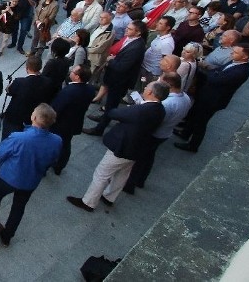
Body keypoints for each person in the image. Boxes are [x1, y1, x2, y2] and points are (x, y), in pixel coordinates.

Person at [67, 82, 169, 212]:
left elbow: (115, 113)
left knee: (102, 174)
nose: (145, 88)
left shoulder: (141, 110)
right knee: (122, 174)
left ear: (150, 93)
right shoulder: (160, 109)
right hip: (138, 147)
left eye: (147, 87)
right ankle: (109, 197)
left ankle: (88, 202)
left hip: (124, 146)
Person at [0, 104, 61, 248]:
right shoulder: (57, 140)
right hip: (31, 180)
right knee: (19, 207)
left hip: (8, 177)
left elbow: (1, 153)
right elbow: (52, 159)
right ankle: (7, 236)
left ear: (34, 117)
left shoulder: (19, 137)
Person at [175, 44, 249, 153]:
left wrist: (213, 74)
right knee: (195, 113)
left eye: (235, 52)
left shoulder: (240, 71)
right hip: (207, 94)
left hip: (213, 100)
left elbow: (216, 79)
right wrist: (214, 73)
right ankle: (185, 133)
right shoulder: (235, 61)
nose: (231, 53)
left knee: (201, 122)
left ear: (245, 57)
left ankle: (193, 145)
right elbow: (217, 71)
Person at [124, 72, 192, 193]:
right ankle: (140, 180)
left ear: (167, 85)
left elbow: (154, 120)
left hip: (154, 134)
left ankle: (130, 184)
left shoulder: (166, 104)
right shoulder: (185, 97)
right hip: (165, 133)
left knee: (139, 159)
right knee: (149, 157)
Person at [85, 20, 147, 136]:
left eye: (129, 29)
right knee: (109, 103)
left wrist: (111, 60)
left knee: (111, 104)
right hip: (115, 77)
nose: (126, 30)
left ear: (138, 33)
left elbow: (122, 67)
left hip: (120, 80)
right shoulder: (131, 41)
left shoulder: (137, 47)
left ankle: (99, 129)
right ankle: (104, 118)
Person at [50, 65, 96, 175]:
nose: (70, 72)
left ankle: (48, 163)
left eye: (73, 71)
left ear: (77, 77)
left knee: (53, 144)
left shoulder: (69, 91)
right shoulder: (90, 89)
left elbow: (56, 108)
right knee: (66, 144)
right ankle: (60, 166)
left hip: (60, 124)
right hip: (75, 121)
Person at [1, 55, 51, 140]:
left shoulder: (19, 82)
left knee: (8, 139)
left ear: (27, 68)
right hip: (33, 117)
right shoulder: (47, 82)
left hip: (15, 118)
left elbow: (9, 91)